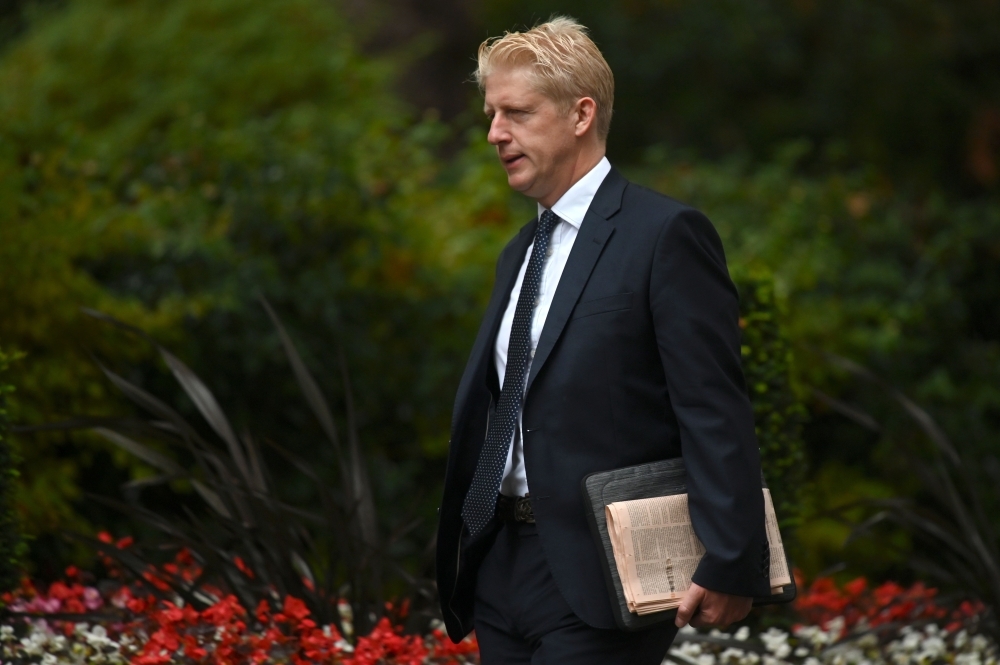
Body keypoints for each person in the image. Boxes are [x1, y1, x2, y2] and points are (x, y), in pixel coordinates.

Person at [435, 16, 772, 665]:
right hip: (499, 565)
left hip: (602, 572)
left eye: (516, 112)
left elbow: (711, 404)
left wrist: (733, 557)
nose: (494, 133)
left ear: (580, 113)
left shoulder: (665, 234)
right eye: (490, 113)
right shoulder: (518, 253)